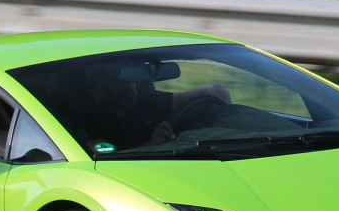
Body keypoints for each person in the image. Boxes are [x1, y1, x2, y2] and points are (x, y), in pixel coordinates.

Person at [73, 63, 231, 152]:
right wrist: (152, 144)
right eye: (119, 79)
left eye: (132, 78)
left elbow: (216, 93)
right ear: (95, 85)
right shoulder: (82, 119)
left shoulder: (145, 103)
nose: (129, 85)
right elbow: (101, 154)